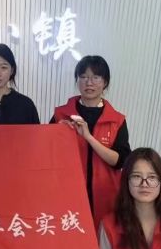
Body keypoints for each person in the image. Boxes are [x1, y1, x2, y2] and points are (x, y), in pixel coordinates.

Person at [52, 55, 131, 229]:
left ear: (105, 82)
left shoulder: (116, 120)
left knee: (100, 242)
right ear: (77, 80)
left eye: (96, 77)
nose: (89, 83)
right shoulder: (61, 115)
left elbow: (120, 161)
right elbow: (47, 154)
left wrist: (88, 137)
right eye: (84, 77)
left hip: (105, 196)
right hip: (66, 193)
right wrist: (57, 133)